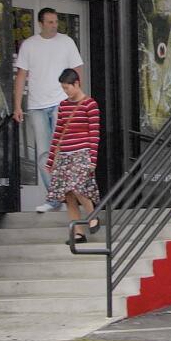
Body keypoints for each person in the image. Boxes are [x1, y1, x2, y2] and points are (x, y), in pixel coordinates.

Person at [13, 7, 84, 213]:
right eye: (50, 22)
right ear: (41, 23)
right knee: (44, 154)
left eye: (56, 21)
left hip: (61, 103)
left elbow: (77, 70)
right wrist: (18, 105)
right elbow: (21, 76)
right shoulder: (29, 45)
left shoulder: (66, 42)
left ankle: (71, 194)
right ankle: (54, 197)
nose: (55, 25)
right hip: (36, 105)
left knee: (61, 150)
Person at [45, 69, 101, 244]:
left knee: (78, 187)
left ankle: (93, 216)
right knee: (68, 193)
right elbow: (58, 133)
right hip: (64, 154)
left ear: (76, 84)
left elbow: (94, 133)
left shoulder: (90, 105)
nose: (66, 91)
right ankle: (78, 232)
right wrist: (51, 159)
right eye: (63, 88)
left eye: (67, 87)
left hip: (81, 153)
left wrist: (92, 158)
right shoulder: (63, 105)